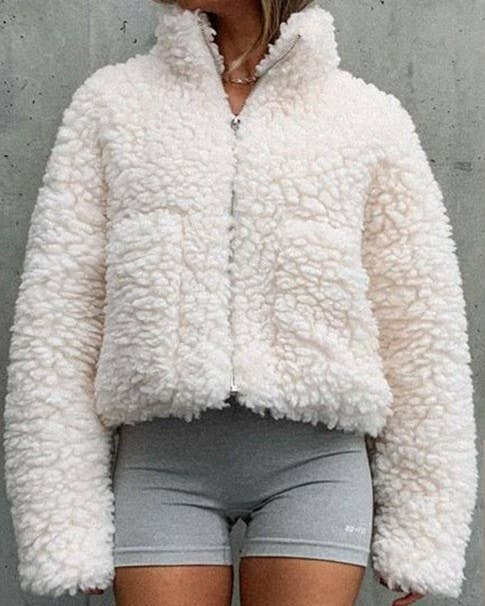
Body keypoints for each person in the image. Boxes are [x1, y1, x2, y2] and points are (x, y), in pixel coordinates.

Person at [3, 1, 478, 605]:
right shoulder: (112, 105)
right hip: (160, 470)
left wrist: (423, 529)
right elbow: (58, 321)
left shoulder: (367, 120)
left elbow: (421, 327)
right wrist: (62, 523)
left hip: (317, 471)